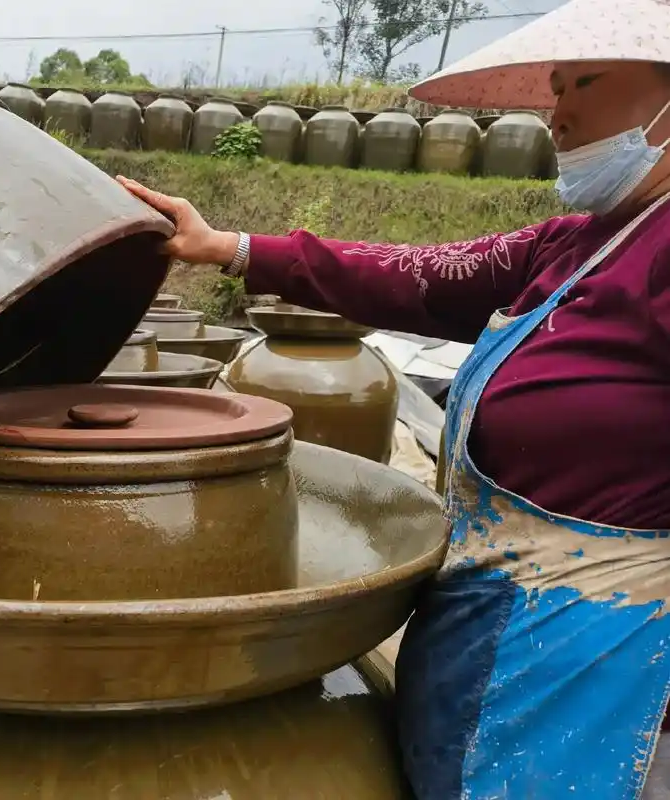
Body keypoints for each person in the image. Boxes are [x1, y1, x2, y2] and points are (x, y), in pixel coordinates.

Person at [118, 1, 670, 797]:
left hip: (599, 638)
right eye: (553, 89)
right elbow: (416, 274)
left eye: (583, 82)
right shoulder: (580, 243)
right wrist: (230, 249)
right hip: (490, 610)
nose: (559, 113)